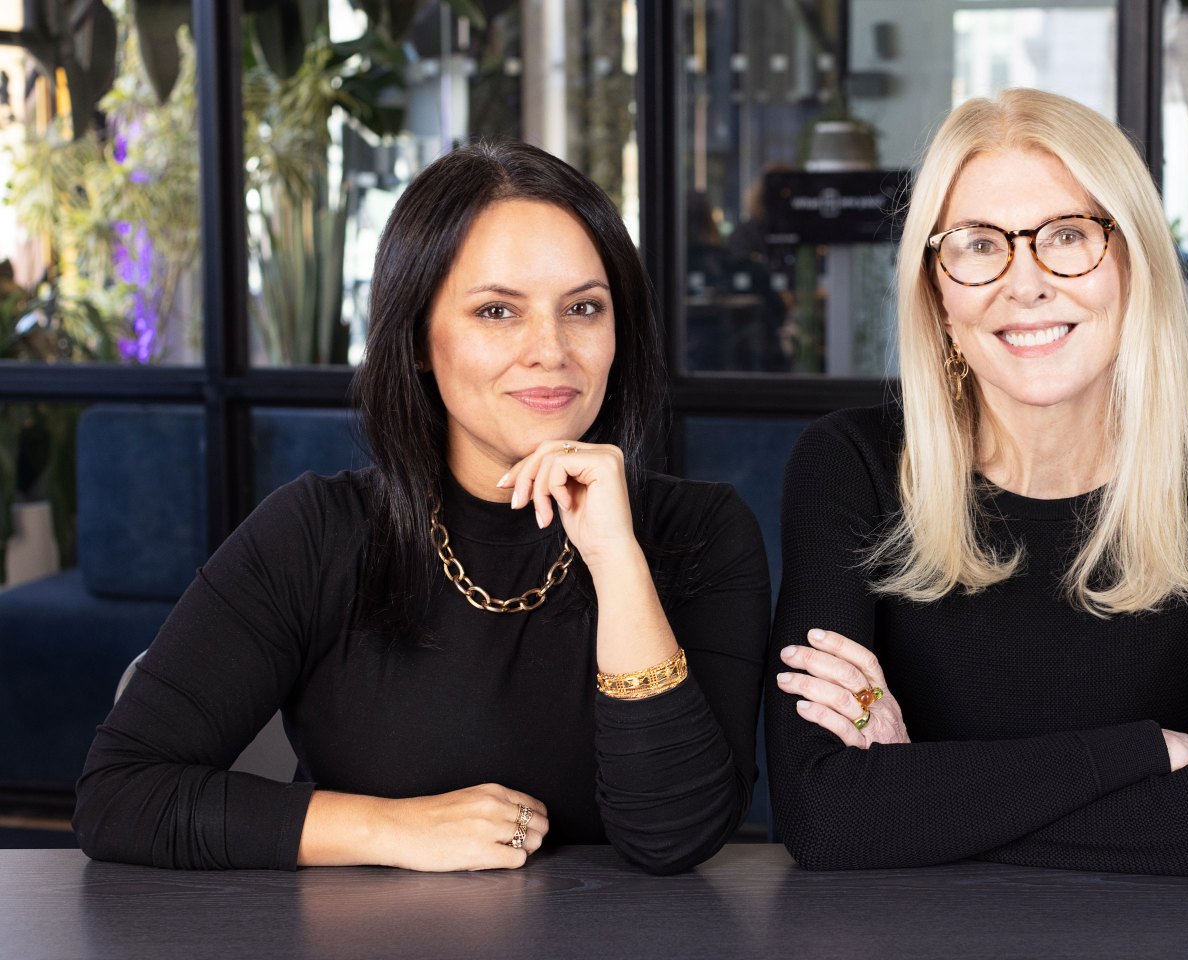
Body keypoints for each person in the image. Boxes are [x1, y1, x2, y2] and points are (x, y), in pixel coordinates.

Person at [74, 141, 771, 875]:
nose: (551, 349)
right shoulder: (315, 534)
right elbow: (120, 794)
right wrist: (390, 829)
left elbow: (676, 836)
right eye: (497, 310)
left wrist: (617, 560)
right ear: (415, 341)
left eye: (584, 308)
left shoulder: (703, 534)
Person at [765, 88, 1188, 880]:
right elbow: (824, 815)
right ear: (936, 289)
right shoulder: (852, 467)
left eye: (1068, 236)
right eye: (977, 244)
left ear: (1134, 262)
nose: (1024, 283)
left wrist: (918, 797)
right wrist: (1143, 753)